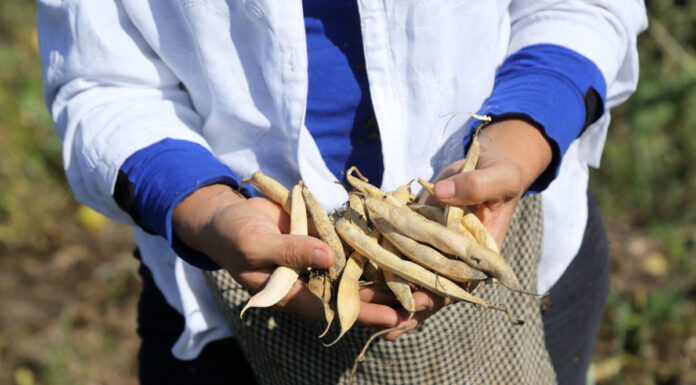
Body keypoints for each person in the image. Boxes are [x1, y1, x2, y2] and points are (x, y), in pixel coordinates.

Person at [37, 1, 647, 384]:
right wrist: (205, 206)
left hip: (526, 245)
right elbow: (98, 80)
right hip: (222, 288)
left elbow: (583, 7)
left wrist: (522, 136)